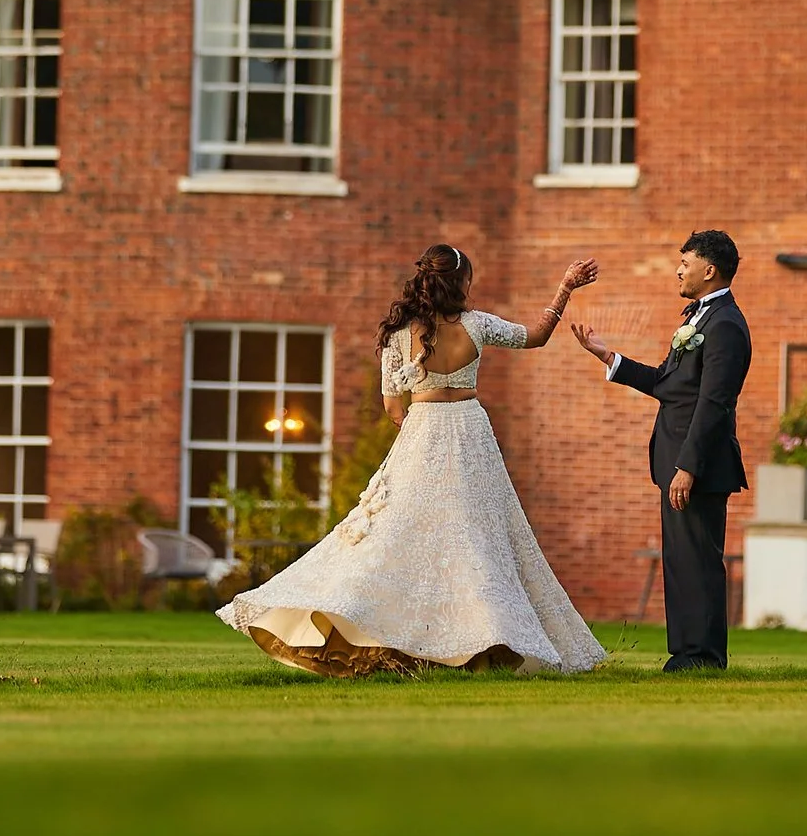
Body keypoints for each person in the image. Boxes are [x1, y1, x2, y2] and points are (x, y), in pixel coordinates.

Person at [218, 245, 608, 677]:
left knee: (398, 532)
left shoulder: (398, 334)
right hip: (470, 434)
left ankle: (388, 635)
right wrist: (564, 290)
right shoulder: (476, 326)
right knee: (477, 534)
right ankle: (481, 646)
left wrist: (416, 440)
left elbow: (391, 404)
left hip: (421, 430)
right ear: (461, 283)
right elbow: (535, 336)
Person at [571, 229, 750, 671]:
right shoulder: (700, 318)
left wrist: (688, 466)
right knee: (680, 561)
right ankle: (685, 654)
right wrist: (608, 356)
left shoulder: (725, 325)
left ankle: (703, 657)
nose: (678, 270)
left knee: (699, 562)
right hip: (676, 461)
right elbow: (670, 386)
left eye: (685, 263)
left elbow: (714, 403)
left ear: (710, 270)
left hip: (699, 465)